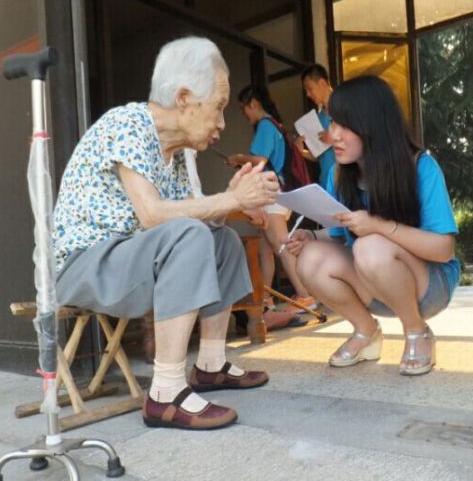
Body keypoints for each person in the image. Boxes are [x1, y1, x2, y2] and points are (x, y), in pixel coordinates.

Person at [53, 36, 279, 431]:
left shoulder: (172, 153)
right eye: (220, 108)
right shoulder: (127, 125)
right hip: (86, 264)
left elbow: (185, 220)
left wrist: (231, 201)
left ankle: (209, 365)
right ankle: (166, 394)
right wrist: (227, 200)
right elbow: (154, 216)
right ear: (185, 98)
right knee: (190, 234)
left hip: (127, 260)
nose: (223, 124)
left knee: (220, 239)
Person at [286, 75, 460, 376]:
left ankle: (417, 331)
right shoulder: (340, 176)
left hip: (429, 287)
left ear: (373, 126)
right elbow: (341, 235)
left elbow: (444, 250)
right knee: (310, 256)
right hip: (375, 283)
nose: (332, 135)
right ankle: (366, 331)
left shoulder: (421, 167)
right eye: (332, 123)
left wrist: (379, 226)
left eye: (344, 125)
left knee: (369, 246)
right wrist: (312, 235)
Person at [234, 84, 316, 326]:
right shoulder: (276, 126)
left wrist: (238, 159)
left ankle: (304, 295)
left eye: (244, 109)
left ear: (254, 104)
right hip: (281, 194)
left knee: (281, 245)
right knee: (266, 249)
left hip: (273, 194)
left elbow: (260, 159)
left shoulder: (266, 126)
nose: (245, 114)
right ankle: (266, 297)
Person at [296, 64, 336, 190]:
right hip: (325, 183)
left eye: (309, 88)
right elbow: (319, 155)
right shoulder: (317, 118)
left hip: (347, 184)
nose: (308, 94)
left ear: (322, 83)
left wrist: (335, 139)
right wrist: (301, 152)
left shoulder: (345, 107)